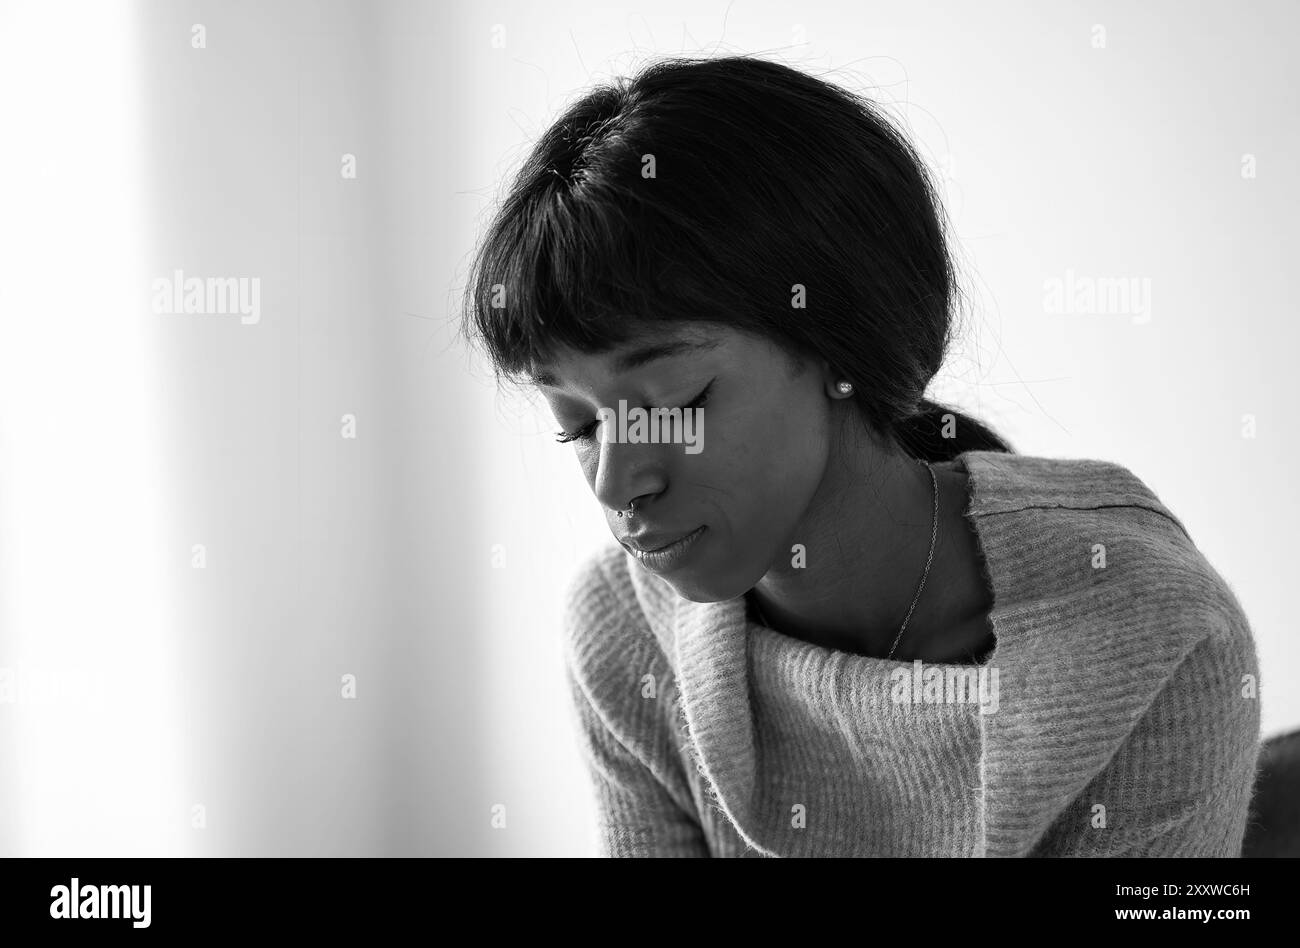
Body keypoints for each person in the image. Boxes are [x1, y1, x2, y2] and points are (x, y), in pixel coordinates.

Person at [460, 55, 1262, 856]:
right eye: (577, 425)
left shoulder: (1151, 631)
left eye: (674, 406)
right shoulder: (627, 630)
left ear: (840, 346)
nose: (617, 480)